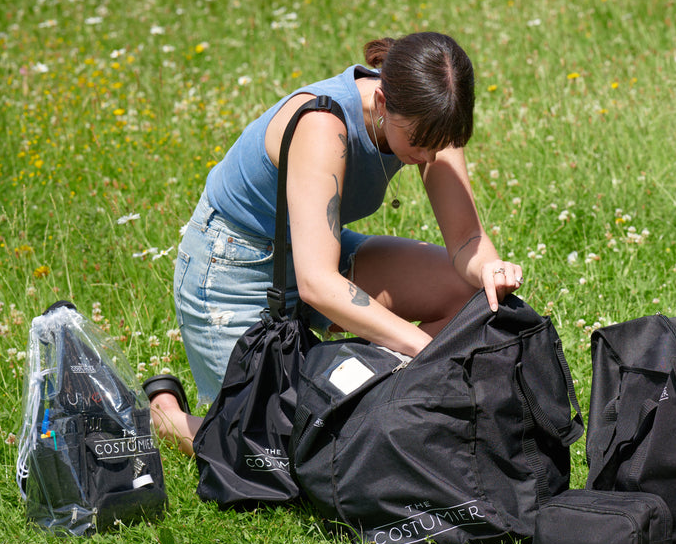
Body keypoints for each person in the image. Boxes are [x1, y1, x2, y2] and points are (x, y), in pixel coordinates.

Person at [144, 32, 521, 455]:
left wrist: (490, 268)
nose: (429, 158)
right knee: (272, 455)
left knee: (471, 298)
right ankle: (167, 417)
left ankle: (358, 403)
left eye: (441, 146)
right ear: (382, 104)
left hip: (319, 250)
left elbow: (467, 238)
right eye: (418, 144)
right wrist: (426, 352)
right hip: (235, 267)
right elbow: (319, 286)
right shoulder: (322, 125)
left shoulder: (432, 114)